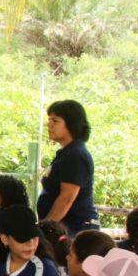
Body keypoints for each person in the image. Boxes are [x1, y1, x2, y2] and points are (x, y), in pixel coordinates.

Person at [38, 99, 98, 235]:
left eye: (55, 121)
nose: (49, 125)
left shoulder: (76, 155)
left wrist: (45, 228)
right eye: (49, 120)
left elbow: (66, 198)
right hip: (64, 227)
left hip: (75, 230)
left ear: (71, 124)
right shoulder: (67, 153)